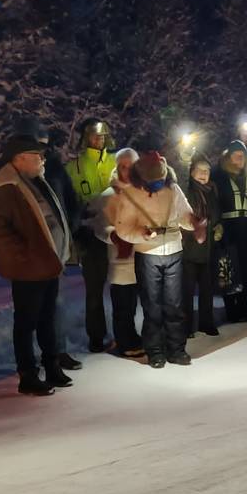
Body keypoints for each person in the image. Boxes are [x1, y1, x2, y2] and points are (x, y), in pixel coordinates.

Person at [0, 134, 74, 396]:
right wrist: (23, 253)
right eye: (37, 156)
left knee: (47, 319)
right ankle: (28, 375)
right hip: (28, 268)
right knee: (26, 322)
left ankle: (52, 366)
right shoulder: (3, 186)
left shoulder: (35, 181)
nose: (42, 160)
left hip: (49, 264)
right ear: (19, 159)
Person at [106, 151, 197, 367]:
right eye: (152, 183)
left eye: (159, 181)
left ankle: (176, 349)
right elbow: (123, 229)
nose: (156, 186)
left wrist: (193, 222)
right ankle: (155, 351)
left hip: (174, 249)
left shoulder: (173, 189)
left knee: (174, 305)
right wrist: (142, 234)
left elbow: (185, 214)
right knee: (152, 306)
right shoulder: (132, 194)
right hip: (147, 254)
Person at [15, 118, 83, 372]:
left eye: (44, 145)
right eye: (36, 146)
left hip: (57, 249)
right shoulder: (16, 175)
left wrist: (69, 229)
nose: (41, 151)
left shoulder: (54, 168)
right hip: (32, 254)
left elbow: (71, 200)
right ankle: (31, 362)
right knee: (32, 311)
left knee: (57, 305)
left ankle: (57, 352)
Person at [65, 118, 117, 354]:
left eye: (103, 136)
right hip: (89, 235)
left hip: (118, 233)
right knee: (94, 290)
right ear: (85, 138)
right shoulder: (73, 168)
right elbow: (68, 201)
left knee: (122, 287)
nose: (99, 140)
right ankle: (96, 336)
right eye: (95, 136)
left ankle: (124, 331)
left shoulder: (116, 162)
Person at [91, 148, 142, 357]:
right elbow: (100, 226)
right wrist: (114, 236)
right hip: (121, 260)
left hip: (140, 257)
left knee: (132, 304)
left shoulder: (142, 192)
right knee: (122, 304)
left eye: (130, 166)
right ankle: (124, 341)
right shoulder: (109, 196)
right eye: (123, 166)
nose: (126, 171)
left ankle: (132, 336)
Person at [214, 140, 247, 322]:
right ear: (228, 157)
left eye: (242, 156)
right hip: (228, 232)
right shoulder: (219, 178)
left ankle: (243, 308)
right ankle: (231, 310)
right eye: (236, 155)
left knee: (244, 272)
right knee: (228, 272)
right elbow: (214, 205)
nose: (239, 159)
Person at [183, 155, 220, 337]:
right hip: (189, 248)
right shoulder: (187, 190)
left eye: (207, 171)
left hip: (208, 249)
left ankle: (207, 322)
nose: (204, 174)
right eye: (200, 170)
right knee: (187, 290)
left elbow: (216, 214)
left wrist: (218, 226)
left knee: (207, 289)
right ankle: (186, 325)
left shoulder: (211, 191)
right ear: (191, 172)